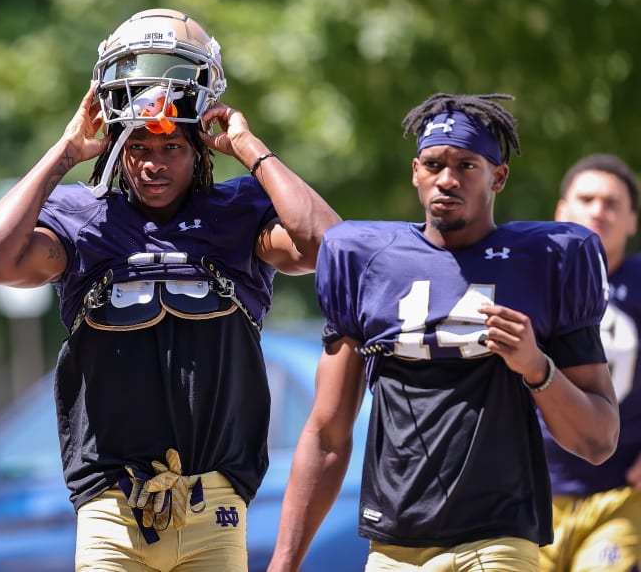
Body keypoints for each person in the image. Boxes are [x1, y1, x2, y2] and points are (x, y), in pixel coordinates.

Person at [0, 8, 341, 572]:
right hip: (112, 508)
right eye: (138, 147)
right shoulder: (83, 218)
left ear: (200, 152)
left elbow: (331, 249)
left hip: (213, 506)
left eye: (173, 148)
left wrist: (251, 149)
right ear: (118, 149)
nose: (153, 164)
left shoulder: (237, 213)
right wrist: (65, 152)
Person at [267, 93, 620, 572]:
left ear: (498, 176)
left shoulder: (550, 260)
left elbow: (598, 442)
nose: (447, 179)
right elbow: (328, 434)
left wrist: (537, 368)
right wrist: (284, 563)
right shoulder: (366, 261)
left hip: (499, 539)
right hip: (395, 545)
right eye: (434, 164)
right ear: (416, 171)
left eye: (466, 165)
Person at [540, 153, 641, 572]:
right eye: (587, 198)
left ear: (633, 221)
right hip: (527, 495)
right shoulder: (527, 279)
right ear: (562, 210)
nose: (599, 210)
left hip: (620, 496)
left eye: (613, 202)